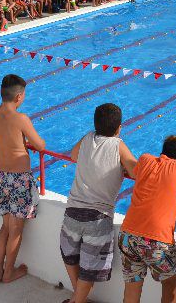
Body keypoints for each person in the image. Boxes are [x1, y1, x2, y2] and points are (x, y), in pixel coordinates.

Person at [61, 104, 137, 303]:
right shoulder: (118, 146)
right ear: (119, 128)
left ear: (95, 125)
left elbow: (73, 155)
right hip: (98, 217)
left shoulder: (87, 137)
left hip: (72, 212)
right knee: (89, 269)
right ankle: (78, 301)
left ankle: (77, 298)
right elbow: (136, 172)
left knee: (70, 257)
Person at [118, 135, 176, 303]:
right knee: (170, 285)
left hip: (128, 237)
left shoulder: (145, 159)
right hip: (157, 242)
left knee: (132, 286)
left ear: (163, 152)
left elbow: (135, 171)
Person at [0, 74, 46, 284]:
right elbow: (40, 145)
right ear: (19, 96)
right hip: (19, 180)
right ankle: (9, 272)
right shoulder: (21, 119)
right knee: (16, 230)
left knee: (5, 227)